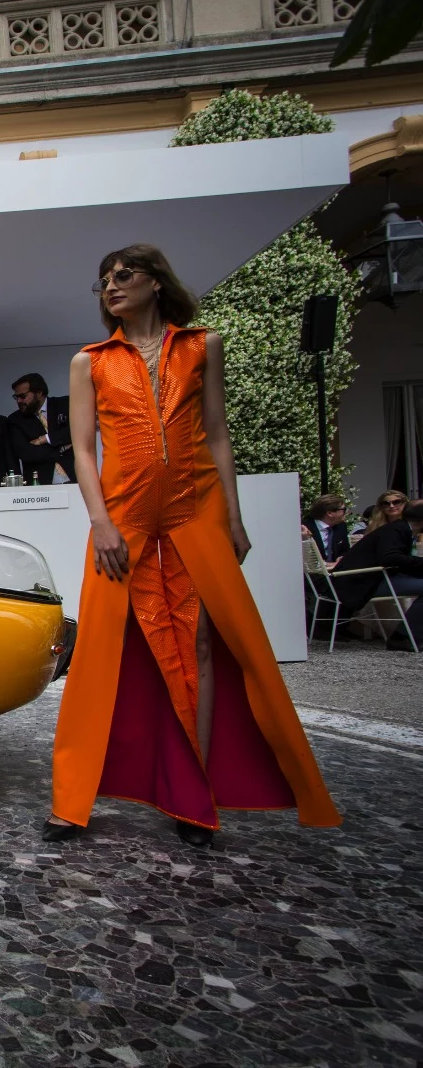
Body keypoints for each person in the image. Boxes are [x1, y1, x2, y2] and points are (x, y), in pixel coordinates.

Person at [46, 242, 339, 849]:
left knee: (207, 640)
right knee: (103, 647)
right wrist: (100, 523)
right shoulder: (89, 361)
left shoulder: (203, 346)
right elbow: (81, 449)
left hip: (196, 508)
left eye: (124, 275)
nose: (111, 286)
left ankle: (194, 794)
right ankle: (71, 799)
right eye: (103, 280)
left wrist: (231, 516)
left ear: (157, 282)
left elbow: (218, 434)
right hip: (122, 514)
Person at [331, 498, 423, 650]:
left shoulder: (400, 529)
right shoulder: (396, 531)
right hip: (362, 583)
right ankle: (403, 637)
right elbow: (390, 557)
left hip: (367, 579)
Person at [8, 372, 74, 485]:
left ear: (39, 392)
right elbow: (26, 453)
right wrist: (61, 448)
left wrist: (45, 439)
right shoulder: (15, 420)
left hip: (75, 477)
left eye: (22, 396)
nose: (19, 401)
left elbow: (78, 432)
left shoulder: (65, 404)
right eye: (16, 397)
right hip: (40, 484)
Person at [301, 494, 350, 566]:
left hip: (337, 571)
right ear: (329, 513)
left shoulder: (341, 526)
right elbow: (306, 559)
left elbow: (345, 550)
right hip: (315, 573)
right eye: (343, 510)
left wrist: (341, 558)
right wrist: (328, 564)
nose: (346, 513)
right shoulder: (305, 528)